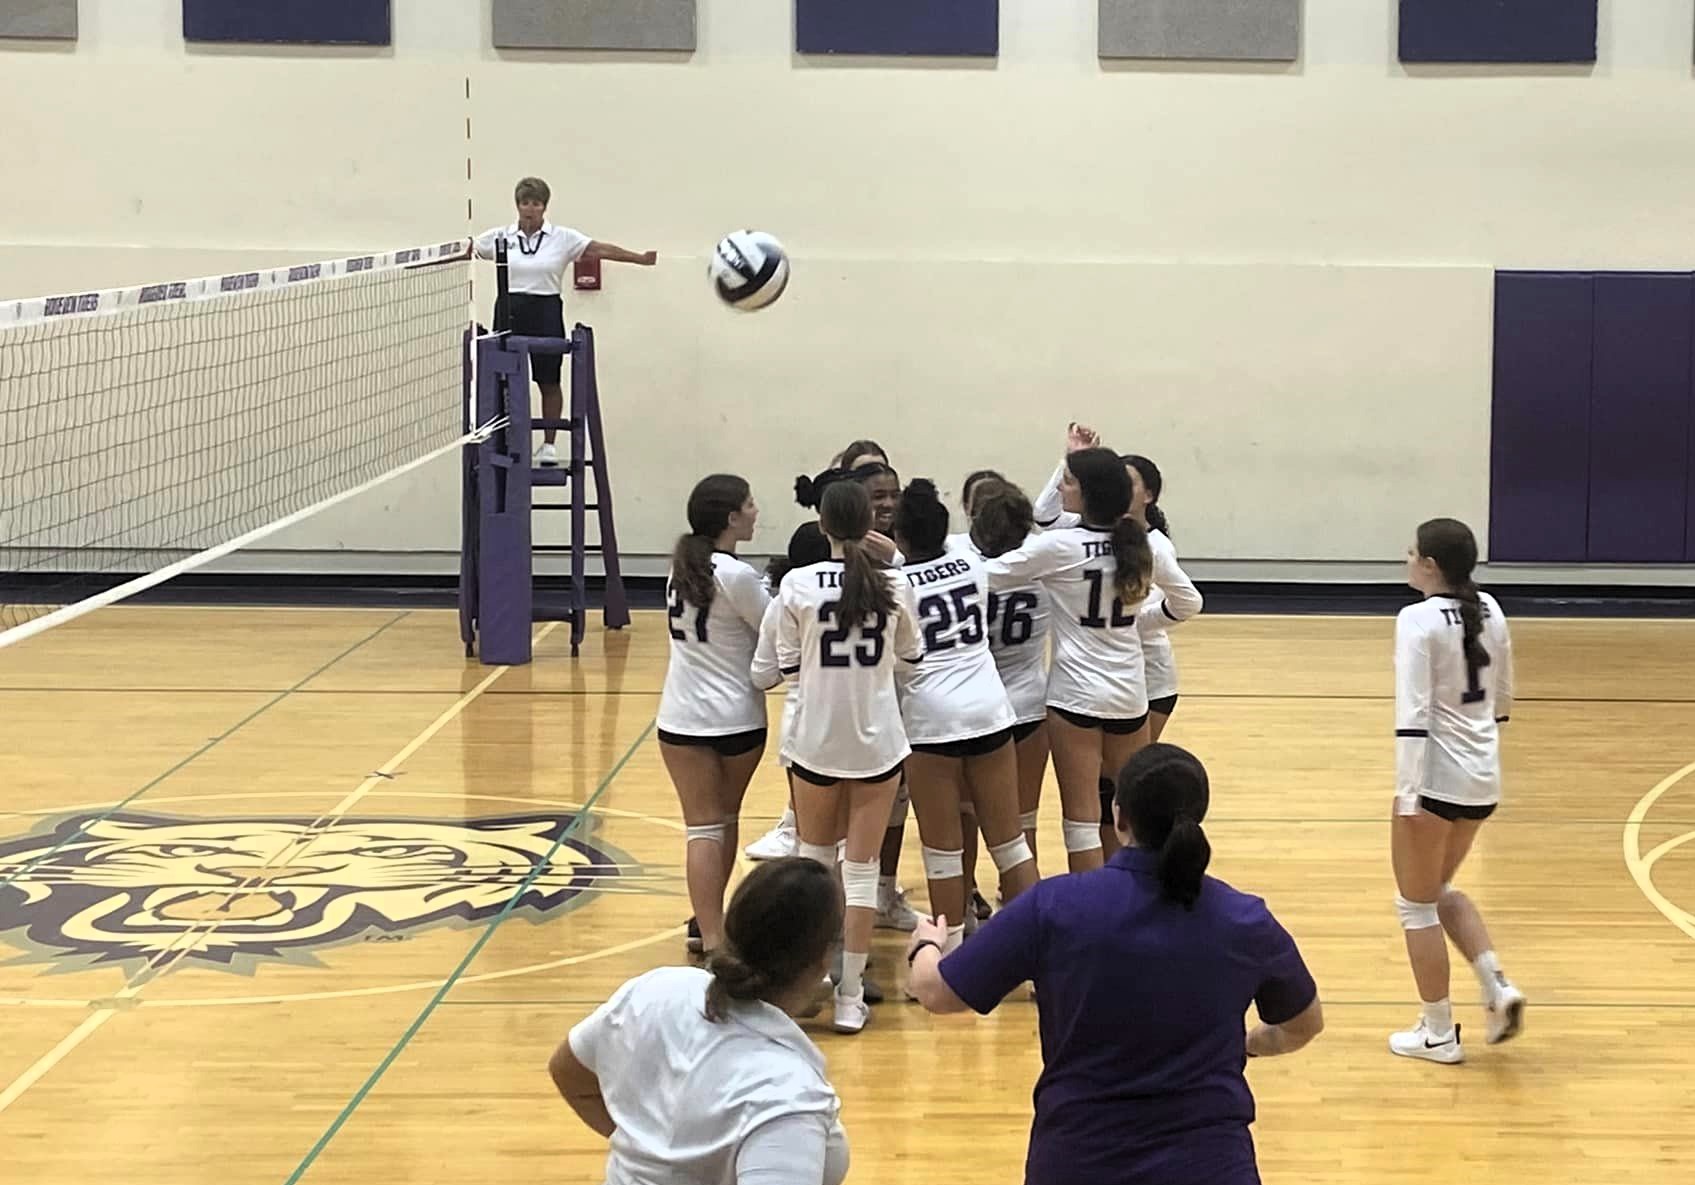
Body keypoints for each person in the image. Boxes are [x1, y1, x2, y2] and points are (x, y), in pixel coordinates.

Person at [906, 744, 1324, 1185]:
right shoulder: (1245, 919)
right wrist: (1250, 1043)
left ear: (1120, 818)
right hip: (1211, 1166)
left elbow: (935, 992)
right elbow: (1304, 1023)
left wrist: (925, 947)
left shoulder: (1055, 907)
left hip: (1078, 1163)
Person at [548, 857, 848, 1185]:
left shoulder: (655, 990)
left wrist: (649, 1153)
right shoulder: (787, 1093)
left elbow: (569, 1073)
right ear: (823, 960)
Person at [753, 480, 922, 1034]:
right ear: (869, 525)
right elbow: (911, 657)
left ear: (822, 525)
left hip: (815, 745)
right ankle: (851, 996)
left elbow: (784, 668)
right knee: (861, 872)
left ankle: (809, 980)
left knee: (813, 865)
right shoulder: (895, 585)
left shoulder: (796, 584)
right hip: (876, 744)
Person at [980, 449, 1165, 873]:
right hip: (1130, 697)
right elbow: (1188, 600)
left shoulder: (1060, 546)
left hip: (1075, 699)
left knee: (1081, 820)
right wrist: (1146, 623)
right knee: (1130, 815)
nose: (1061, 486)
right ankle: (1132, 905)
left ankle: (1089, 918)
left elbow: (986, 576)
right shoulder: (1140, 543)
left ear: (1087, 492)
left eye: (1067, 480)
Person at [1389, 517, 1525, 1064]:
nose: (1407, 557)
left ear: (1431, 566)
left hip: (1434, 781)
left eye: (1412, 551)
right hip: (1482, 777)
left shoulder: (1417, 619)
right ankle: (1496, 985)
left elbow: (1413, 710)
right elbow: (1505, 694)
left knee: (1414, 905)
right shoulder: (1491, 607)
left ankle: (1438, 1031)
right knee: (1438, 889)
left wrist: (1407, 791)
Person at [891, 478, 1037, 960]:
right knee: (1010, 842)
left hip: (932, 719)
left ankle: (951, 954)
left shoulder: (893, 584)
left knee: (943, 850)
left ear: (900, 535)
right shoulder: (973, 565)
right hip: (991, 710)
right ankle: (1038, 955)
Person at [657, 475, 769, 956]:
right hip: (735, 718)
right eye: (749, 503)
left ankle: (708, 923)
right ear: (730, 518)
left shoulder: (682, 568)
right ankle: (716, 934)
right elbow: (775, 627)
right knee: (721, 820)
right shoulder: (736, 576)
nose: (755, 510)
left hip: (679, 719)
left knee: (702, 827)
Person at [473, 176, 656, 467]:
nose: (530, 209)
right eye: (524, 203)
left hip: (545, 310)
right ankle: (507, 441)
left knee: (549, 379)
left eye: (536, 203)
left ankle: (548, 445)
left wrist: (639, 259)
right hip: (509, 309)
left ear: (544, 206)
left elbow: (601, 249)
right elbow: (465, 248)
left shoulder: (563, 237)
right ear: (517, 205)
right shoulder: (500, 237)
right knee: (505, 380)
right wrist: (421, 259)